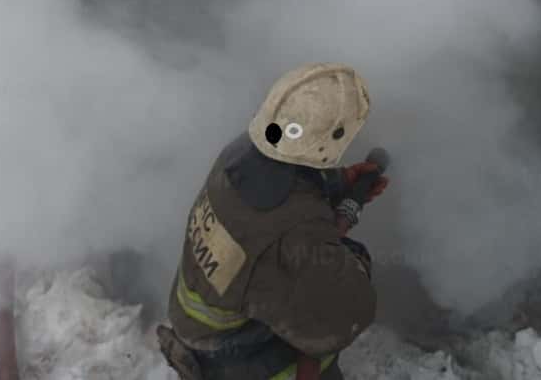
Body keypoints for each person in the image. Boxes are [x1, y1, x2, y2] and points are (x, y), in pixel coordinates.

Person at [157, 63, 389, 380]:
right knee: (345, 278)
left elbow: (280, 179)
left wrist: (340, 181)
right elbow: (347, 315)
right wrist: (355, 269)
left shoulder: (237, 156)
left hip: (192, 319)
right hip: (231, 353)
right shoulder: (297, 232)